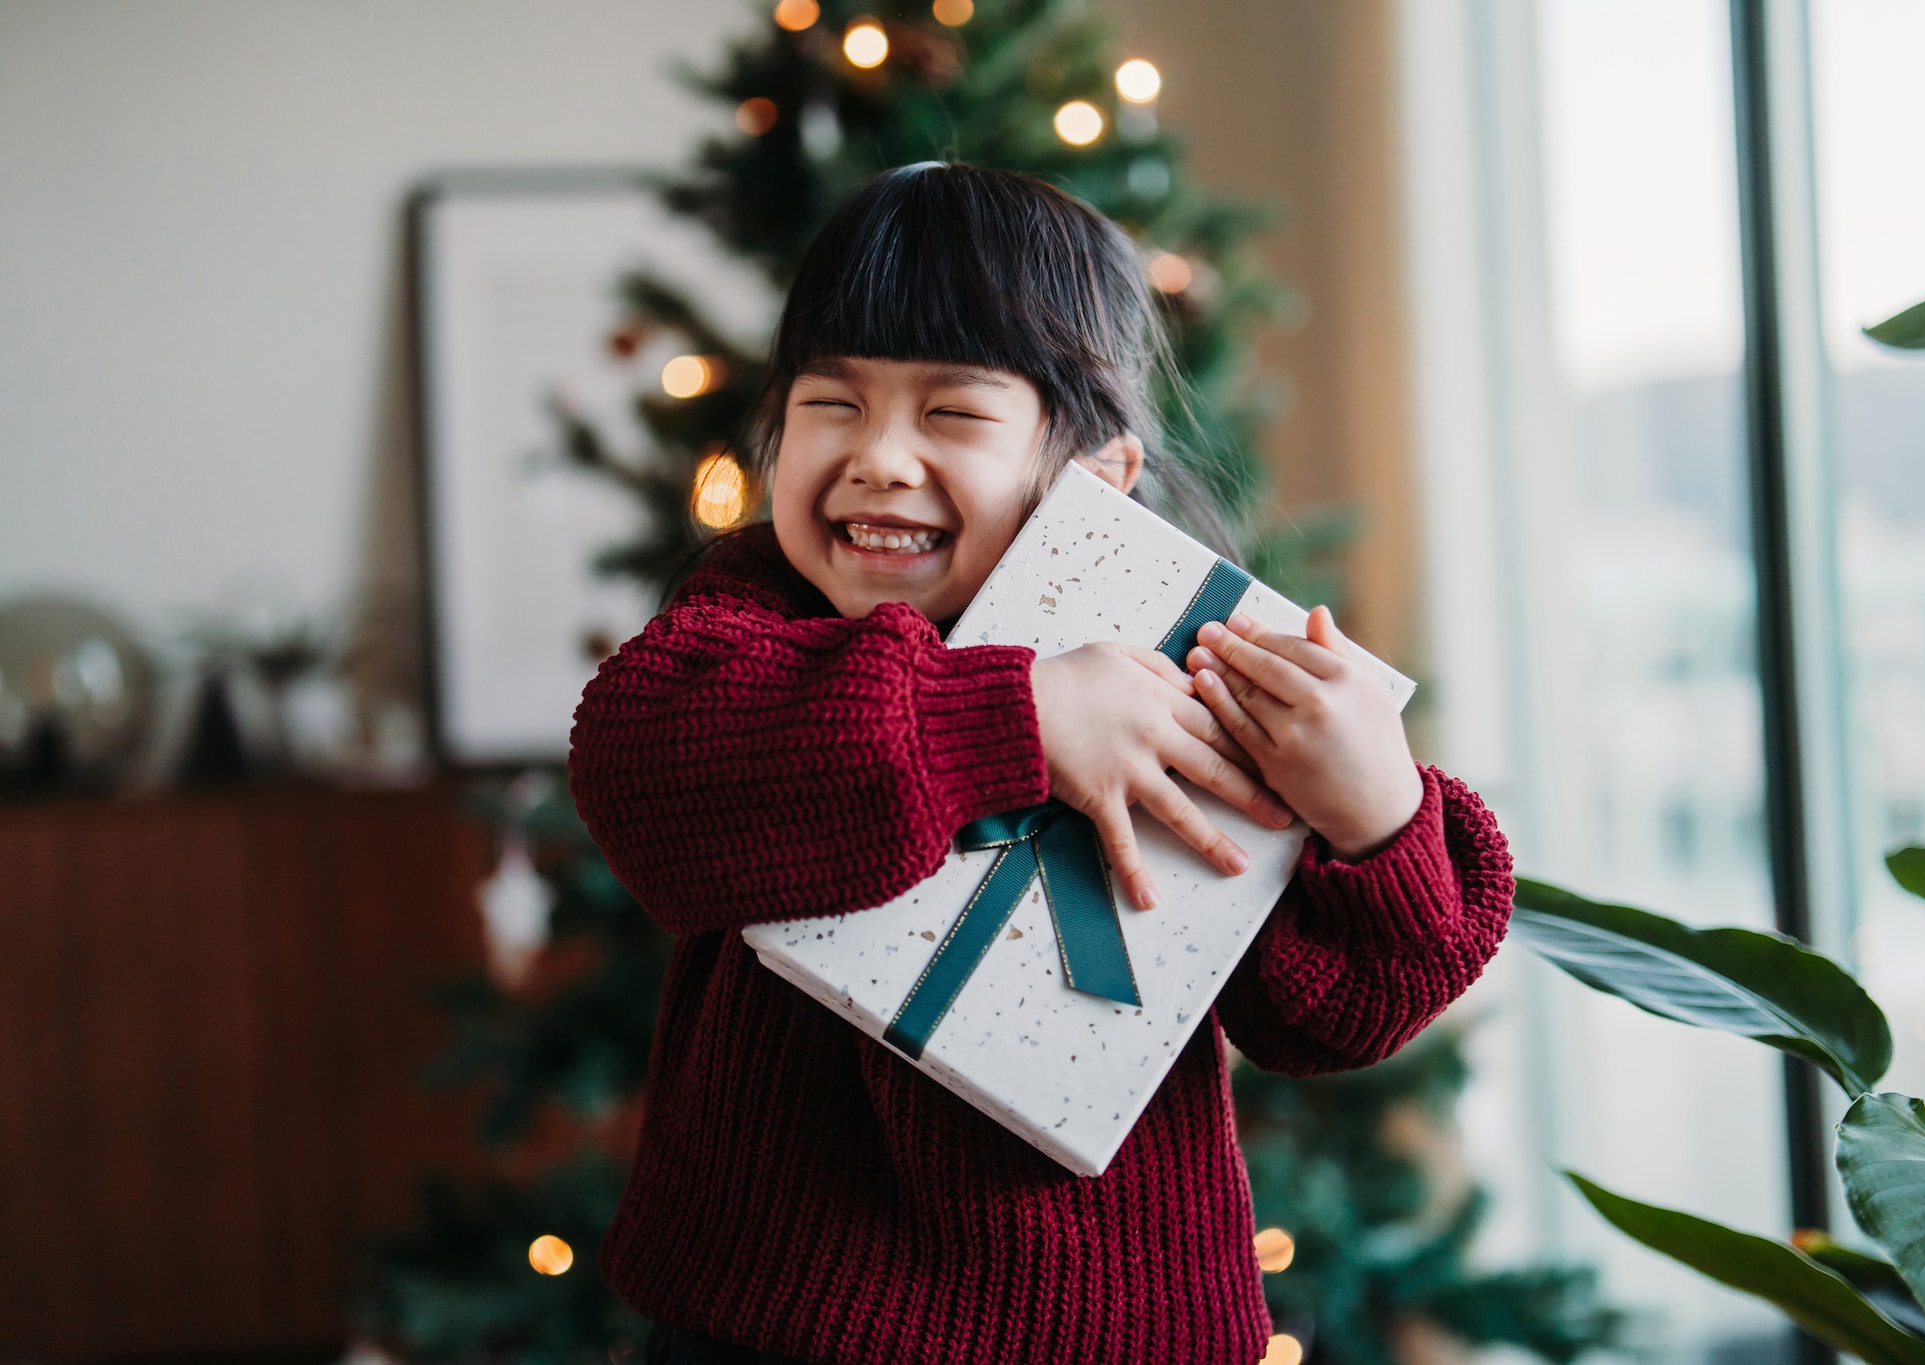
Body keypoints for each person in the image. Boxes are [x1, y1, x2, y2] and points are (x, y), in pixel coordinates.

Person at [569, 162, 1514, 1365]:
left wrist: (1377, 824)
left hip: (1111, 1330)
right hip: (766, 1321)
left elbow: (1330, 1016)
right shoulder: (750, 623)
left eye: (952, 414)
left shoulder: (1185, 665)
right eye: (830, 405)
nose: (878, 459)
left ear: (1098, 475)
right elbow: (647, 781)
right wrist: (1015, 715)